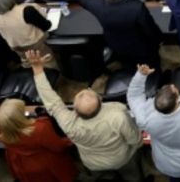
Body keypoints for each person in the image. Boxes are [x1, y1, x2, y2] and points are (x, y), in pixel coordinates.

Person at [30, 50, 143, 181]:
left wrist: (37, 70)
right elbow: (135, 140)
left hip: (93, 163)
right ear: (100, 100)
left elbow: (52, 102)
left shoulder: (69, 123)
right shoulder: (118, 114)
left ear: (75, 110)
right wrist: (138, 145)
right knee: (133, 176)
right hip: (122, 159)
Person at [0, 65, 77, 182]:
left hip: (22, 165)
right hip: (45, 164)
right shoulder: (39, 129)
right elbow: (58, 147)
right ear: (20, 117)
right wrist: (73, 139)